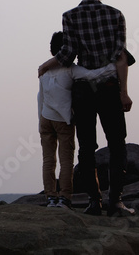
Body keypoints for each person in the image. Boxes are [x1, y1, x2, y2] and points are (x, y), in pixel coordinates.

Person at [38, 0, 135, 217]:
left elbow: (68, 54)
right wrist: (124, 92)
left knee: (86, 146)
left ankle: (94, 201)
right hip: (110, 87)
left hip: (84, 92)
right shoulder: (115, 15)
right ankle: (116, 201)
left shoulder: (70, 16)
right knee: (116, 144)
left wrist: (46, 65)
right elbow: (121, 58)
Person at [38, 31, 116, 210]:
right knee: (66, 161)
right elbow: (93, 75)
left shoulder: (44, 70)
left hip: (45, 118)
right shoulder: (71, 70)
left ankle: (50, 197)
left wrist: (39, 121)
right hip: (64, 121)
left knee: (48, 160)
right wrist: (112, 67)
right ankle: (64, 198)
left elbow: (39, 97)